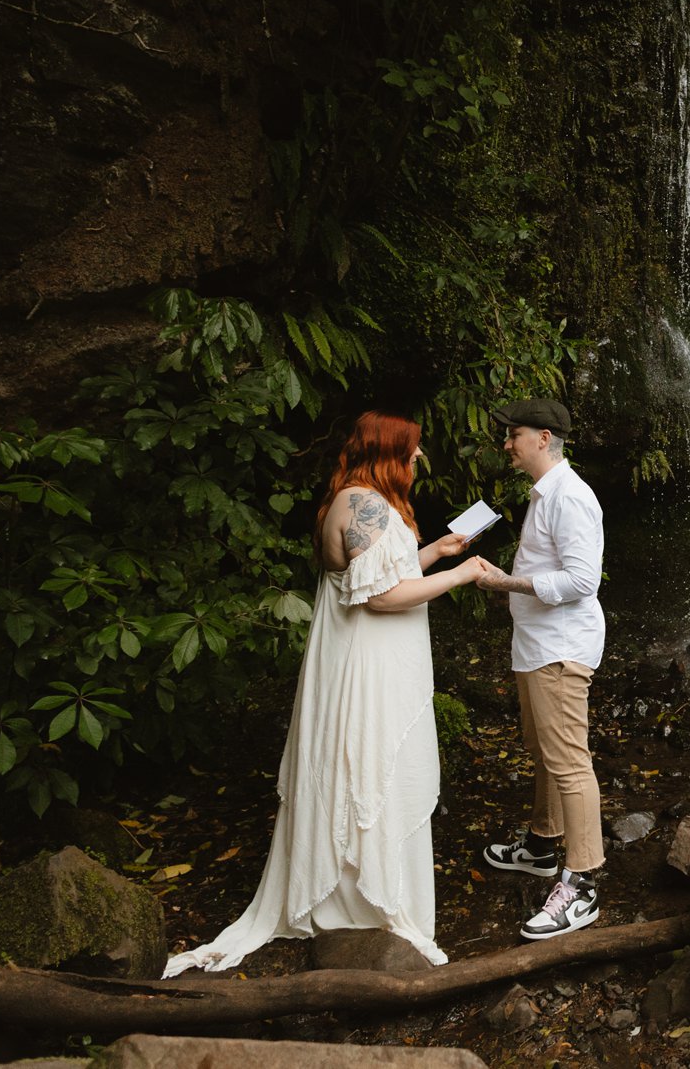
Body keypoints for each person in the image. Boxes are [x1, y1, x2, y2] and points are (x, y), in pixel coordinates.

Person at [162, 410, 496, 977]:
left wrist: (436, 554)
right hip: (370, 663)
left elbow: (382, 573)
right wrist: (464, 575)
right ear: (387, 450)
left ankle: (360, 887)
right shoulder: (365, 505)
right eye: (411, 449)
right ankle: (359, 898)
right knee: (368, 759)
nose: (418, 458)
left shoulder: (355, 499)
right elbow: (381, 598)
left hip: (370, 655)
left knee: (364, 762)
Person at [476, 397, 608, 940]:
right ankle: (540, 844)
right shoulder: (546, 492)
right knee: (545, 752)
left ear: (545, 439)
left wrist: (505, 583)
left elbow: (583, 581)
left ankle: (583, 884)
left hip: (560, 648)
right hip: (537, 645)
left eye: (515, 434)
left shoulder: (571, 497)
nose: (507, 443)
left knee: (569, 763)